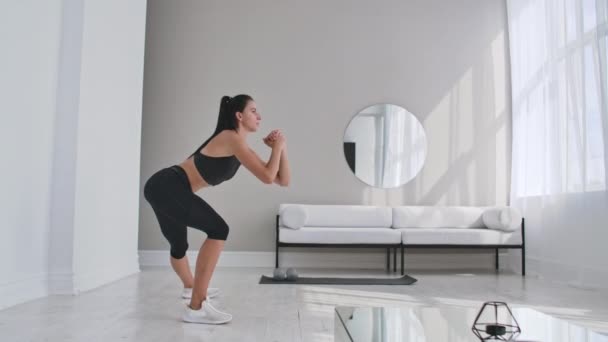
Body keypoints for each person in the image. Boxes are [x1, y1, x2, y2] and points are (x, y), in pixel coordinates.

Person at [143, 94, 290, 324]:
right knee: (219, 229)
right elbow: (268, 176)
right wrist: (277, 146)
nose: (259, 116)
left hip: (167, 188)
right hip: (167, 184)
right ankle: (196, 307)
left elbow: (281, 179)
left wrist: (281, 149)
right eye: (253, 111)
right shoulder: (231, 138)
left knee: (179, 246)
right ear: (239, 116)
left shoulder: (241, 147)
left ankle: (191, 287)